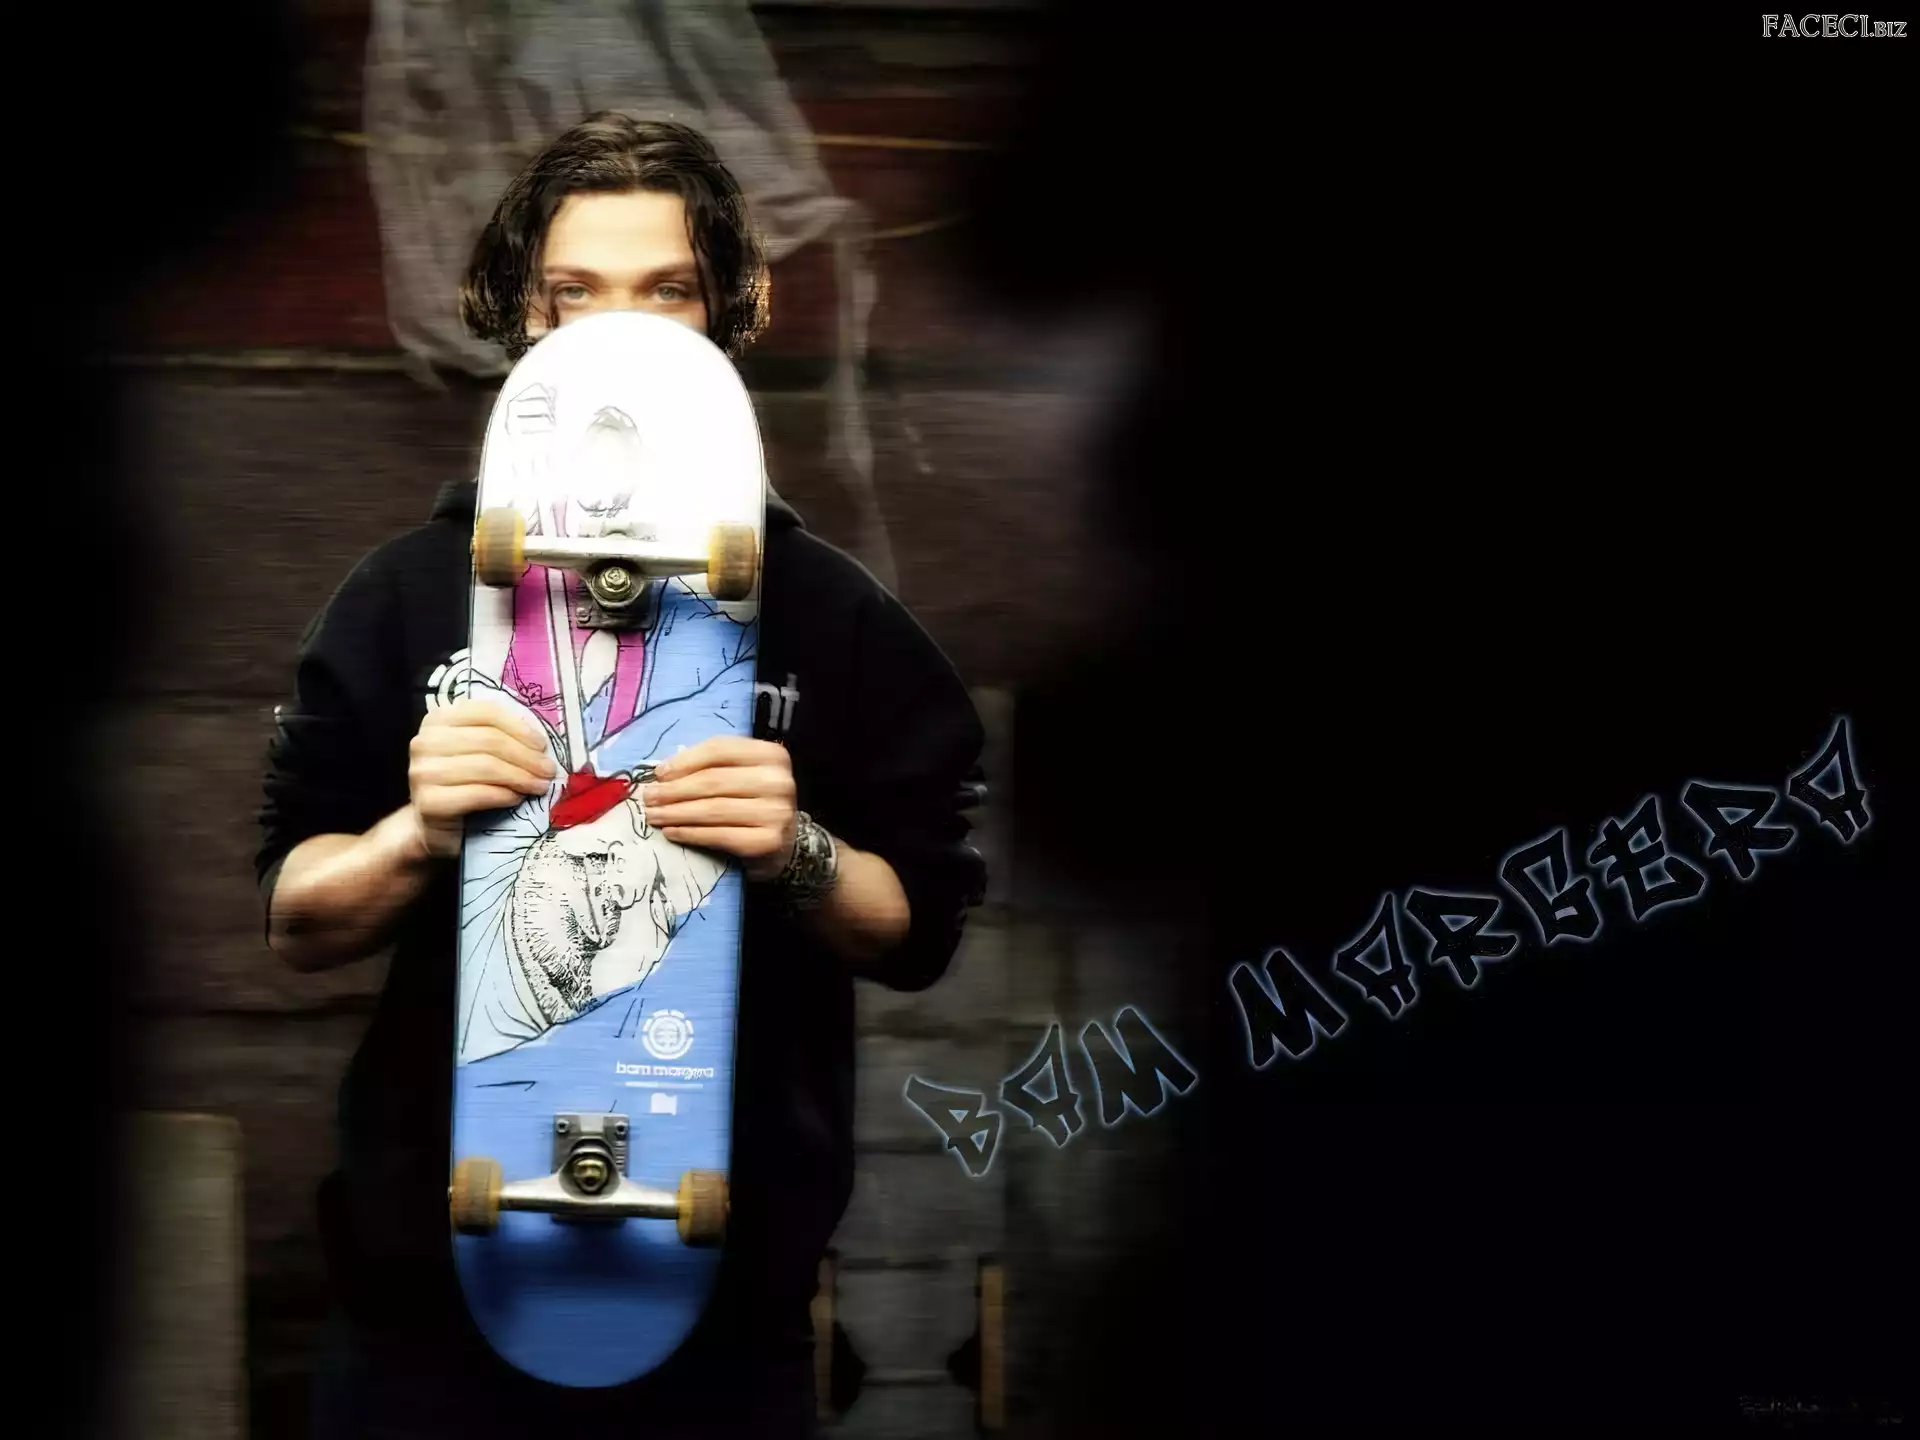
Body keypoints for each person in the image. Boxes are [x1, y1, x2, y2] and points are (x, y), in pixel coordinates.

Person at [256, 112, 987, 1438]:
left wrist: (800, 853)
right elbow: (297, 918)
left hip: (720, 1304)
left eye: (667, 293)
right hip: (428, 1301)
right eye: (575, 294)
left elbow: (917, 929)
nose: (621, 335)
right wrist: (413, 836)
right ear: (522, 319)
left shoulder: (836, 615)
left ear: (730, 318)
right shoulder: (405, 592)